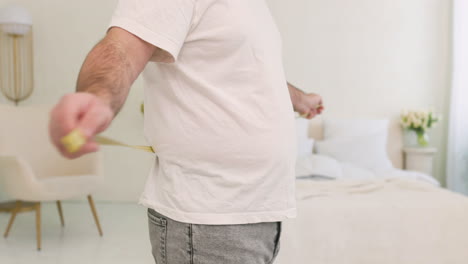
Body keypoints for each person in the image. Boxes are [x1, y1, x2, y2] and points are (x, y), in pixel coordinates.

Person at [49, 0, 324, 263]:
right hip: (208, 221)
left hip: (259, 211)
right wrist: (97, 96)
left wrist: (301, 99)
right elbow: (122, 49)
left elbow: (256, 75)